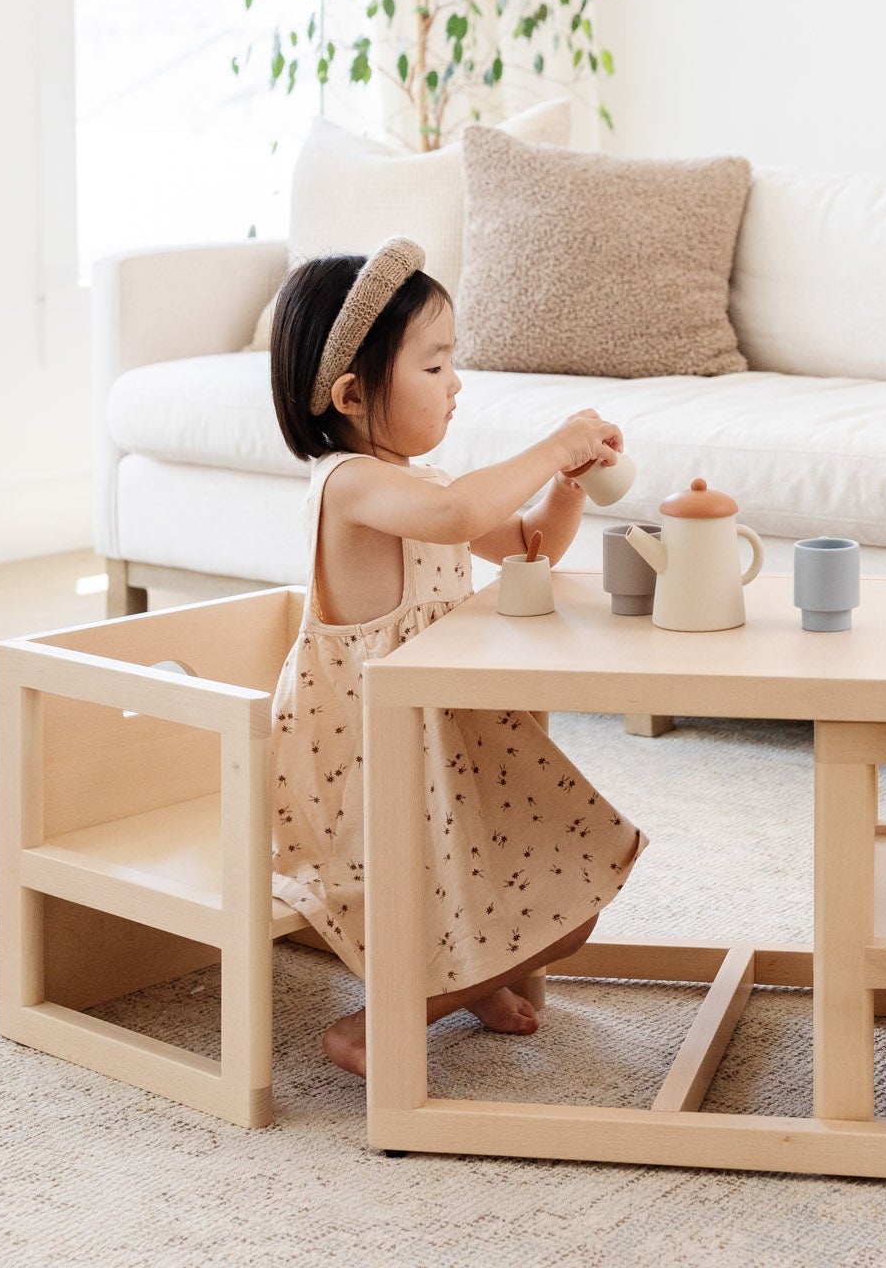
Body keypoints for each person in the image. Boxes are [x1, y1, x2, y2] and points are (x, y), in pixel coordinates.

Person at [267, 235, 646, 1077]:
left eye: (453, 363)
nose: (457, 384)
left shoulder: (428, 486)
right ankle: (382, 1023)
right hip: (372, 749)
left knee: (565, 872)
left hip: (448, 730)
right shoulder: (351, 485)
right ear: (354, 394)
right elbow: (454, 516)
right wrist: (548, 443)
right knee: (554, 892)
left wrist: (570, 481)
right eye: (435, 367)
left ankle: (468, 980)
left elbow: (530, 545)